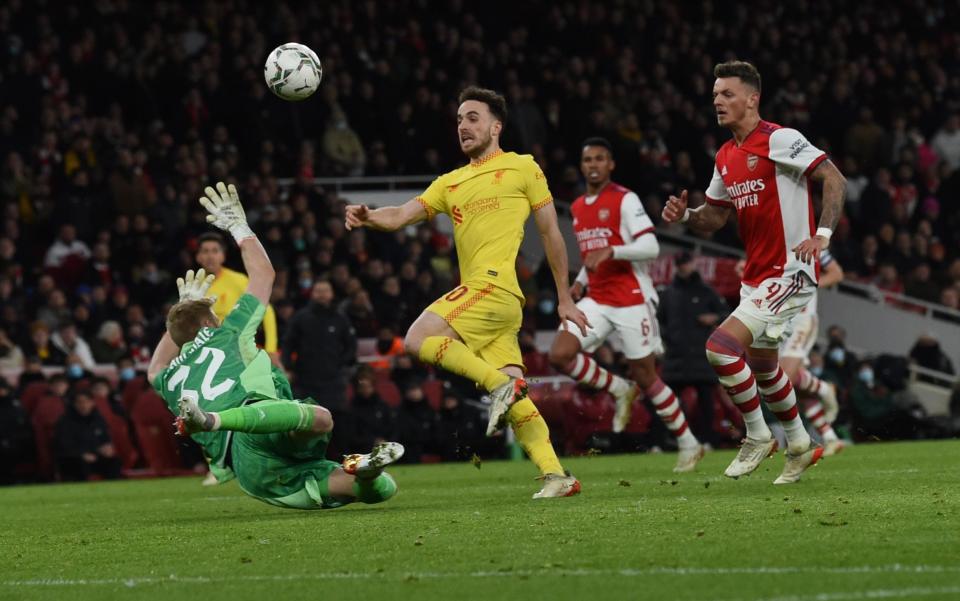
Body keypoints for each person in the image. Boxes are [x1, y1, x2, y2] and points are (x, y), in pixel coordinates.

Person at [345, 86, 589, 498]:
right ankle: (556, 475)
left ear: (496, 126)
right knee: (516, 395)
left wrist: (564, 296)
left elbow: (551, 232)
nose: (463, 125)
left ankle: (498, 385)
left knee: (418, 339)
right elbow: (401, 215)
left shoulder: (522, 167)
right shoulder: (450, 182)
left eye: (472, 117)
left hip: (492, 288)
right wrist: (369, 216)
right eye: (459, 119)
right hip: (497, 304)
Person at [148, 182, 402, 510]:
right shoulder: (228, 333)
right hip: (258, 428)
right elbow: (264, 275)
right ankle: (211, 419)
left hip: (250, 471)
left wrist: (179, 319)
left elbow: (154, 367)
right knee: (321, 419)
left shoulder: (169, 379)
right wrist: (238, 227)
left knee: (382, 489)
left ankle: (362, 473)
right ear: (210, 322)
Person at [662, 60, 847, 484]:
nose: (718, 102)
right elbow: (714, 218)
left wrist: (822, 236)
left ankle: (759, 435)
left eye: (727, 94)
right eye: (714, 96)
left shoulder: (779, 139)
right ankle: (800, 445)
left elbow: (835, 180)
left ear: (752, 98)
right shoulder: (726, 155)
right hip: (757, 278)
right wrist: (685, 215)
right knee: (765, 367)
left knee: (720, 348)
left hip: (791, 271)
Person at [547, 138, 705, 473]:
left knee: (646, 377)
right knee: (559, 354)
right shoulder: (577, 208)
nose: (593, 164)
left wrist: (614, 251)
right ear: (582, 164)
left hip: (632, 297)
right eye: (588, 158)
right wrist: (581, 282)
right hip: (598, 299)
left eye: (600, 158)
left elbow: (650, 245)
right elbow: (593, 257)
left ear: (611, 165)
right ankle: (619, 389)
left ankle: (689, 443)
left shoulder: (624, 198)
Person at [658, 251, 731, 447]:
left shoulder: (706, 292)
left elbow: (727, 314)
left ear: (693, 264)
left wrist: (715, 318)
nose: (683, 267)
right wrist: (668, 339)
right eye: (680, 263)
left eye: (686, 263)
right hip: (676, 357)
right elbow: (660, 321)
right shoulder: (668, 294)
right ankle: (663, 440)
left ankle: (706, 439)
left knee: (706, 403)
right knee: (666, 401)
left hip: (700, 356)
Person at [778, 250, 845, 456]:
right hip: (779, 320)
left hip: (801, 320)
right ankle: (830, 437)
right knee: (799, 390)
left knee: (783, 378)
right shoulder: (774, 240)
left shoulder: (812, 245)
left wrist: (807, 287)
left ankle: (824, 388)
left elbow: (836, 274)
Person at [195, 232, 280, 364]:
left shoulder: (239, 280)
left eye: (215, 251)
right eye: (205, 251)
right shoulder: (193, 285)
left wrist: (271, 349)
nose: (210, 256)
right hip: (202, 351)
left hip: (236, 350)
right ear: (198, 257)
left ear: (223, 256)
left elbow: (266, 310)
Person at [281, 280, 356, 415]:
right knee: (306, 418)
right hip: (305, 380)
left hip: (333, 381)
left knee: (336, 418)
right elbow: (287, 343)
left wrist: (341, 364)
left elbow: (351, 345)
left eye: (325, 291)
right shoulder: (301, 317)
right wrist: (289, 366)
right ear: (312, 294)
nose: (322, 295)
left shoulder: (340, 318)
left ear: (331, 294)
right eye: (318, 291)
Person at [54, 389, 122, 482]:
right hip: (74, 458)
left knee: (114, 462)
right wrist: (81, 454)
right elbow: (63, 445)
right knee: (80, 465)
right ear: (74, 405)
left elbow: (105, 438)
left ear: (92, 403)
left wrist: (107, 447)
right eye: (80, 402)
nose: (84, 405)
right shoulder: (65, 422)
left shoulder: (98, 419)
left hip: (96, 455)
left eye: (87, 402)